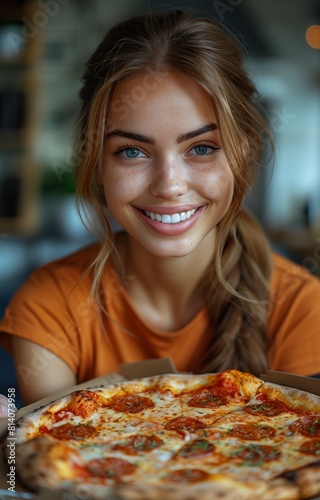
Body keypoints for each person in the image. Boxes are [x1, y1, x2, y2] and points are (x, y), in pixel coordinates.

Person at [1, 8, 320, 407]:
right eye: (132, 151)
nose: (169, 185)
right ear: (96, 163)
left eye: (201, 148)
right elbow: (55, 457)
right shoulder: (49, 305)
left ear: (242, 154)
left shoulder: (302, 307)